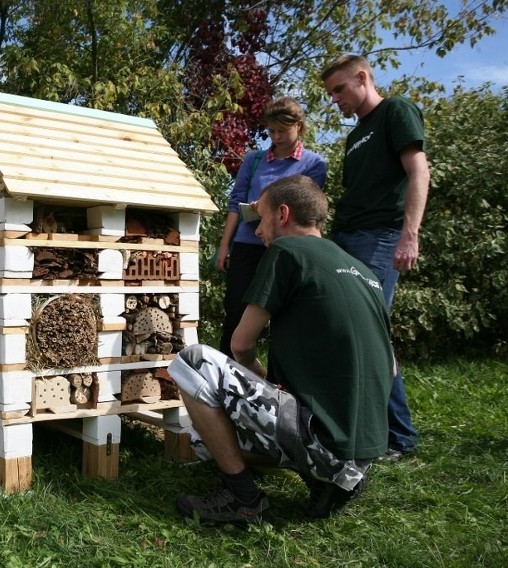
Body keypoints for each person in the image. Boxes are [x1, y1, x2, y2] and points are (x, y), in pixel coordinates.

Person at [171, 175, 394, 525]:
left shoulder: (287, 252)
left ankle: (242, 498)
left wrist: (263, 384)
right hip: (363, 454)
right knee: (210, 433)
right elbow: (391, 369)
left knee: (193, 363)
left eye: (261, 219)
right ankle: (329, 483)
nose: (258, 231)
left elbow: (241, 346)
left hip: (323, 444)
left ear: (283, 213)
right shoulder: (363, 272)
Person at [321, 54, 430, 459]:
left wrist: (409, 236)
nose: (335, 99)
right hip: (346, 236)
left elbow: (419, 172)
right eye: (331, 92)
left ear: (362, 78)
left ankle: (399, 437)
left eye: (340, 89)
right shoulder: (355, 136)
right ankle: (362, 426)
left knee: (371, 333)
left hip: (381, 238)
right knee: (349, 332)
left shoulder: (395, 112)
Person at [215, 96, 327, 357]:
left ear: (298, 126)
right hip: (247, 246)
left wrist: (268, 206)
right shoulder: (254, 160)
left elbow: (308, 208)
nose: (276, 137)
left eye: (282, 130)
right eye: (271, 131)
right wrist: (224, 246)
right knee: (236, 311)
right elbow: (235, 203)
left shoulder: (314, 164)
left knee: (286, 314)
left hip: (286, 248)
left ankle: (278, 380)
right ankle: (223, 377)